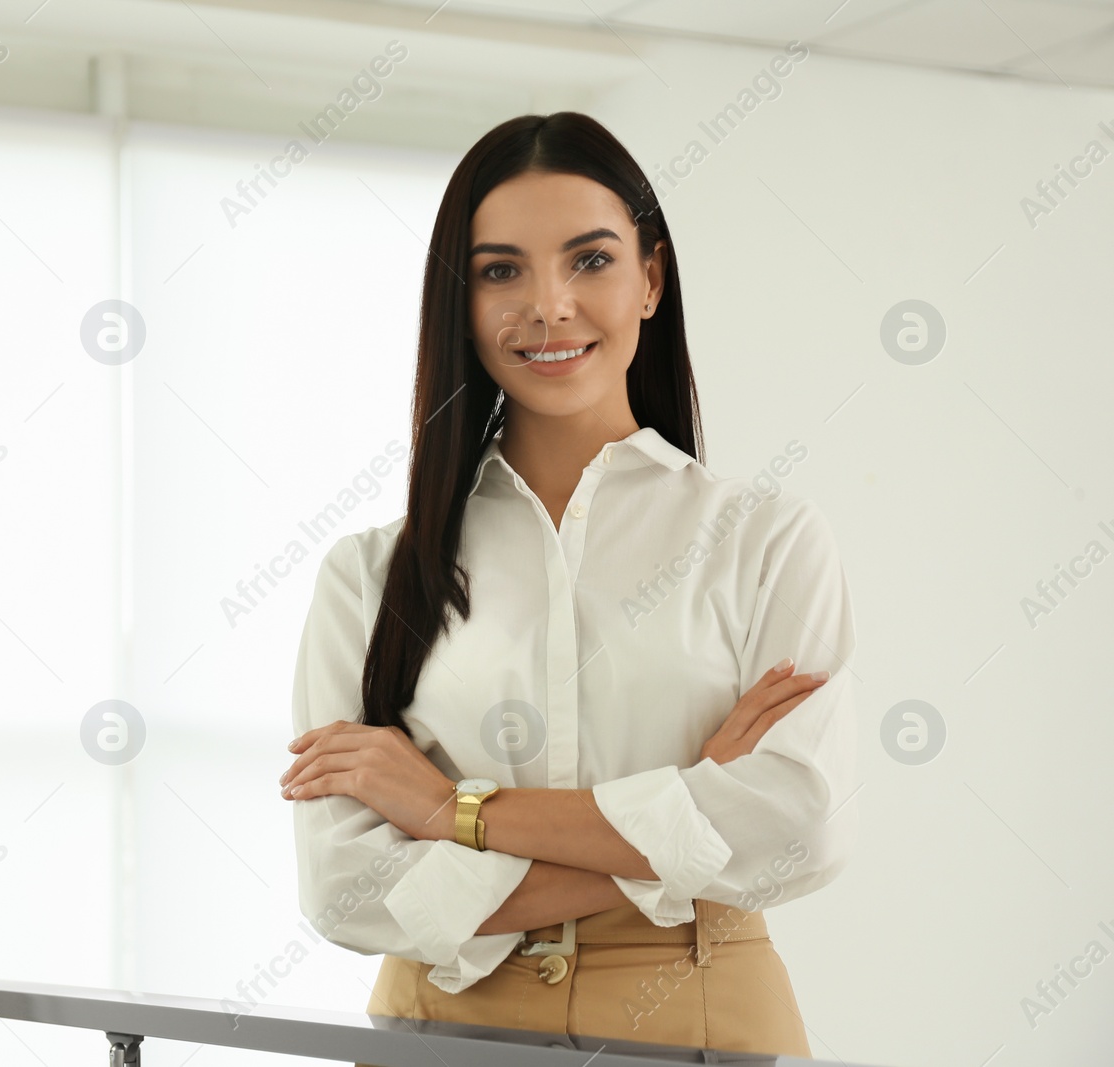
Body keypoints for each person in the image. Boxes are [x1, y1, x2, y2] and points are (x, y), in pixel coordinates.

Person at [278, 111, 857, 1062]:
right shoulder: (369, 575)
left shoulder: (765, 539)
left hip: (700, 1008)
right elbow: (343, 890)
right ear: (459, 301)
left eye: (589, 260)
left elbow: (801, 828)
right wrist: (684, 818)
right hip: (441, 1026)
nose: (547, 305)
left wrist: (450, 813)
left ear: (651, 281)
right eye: (501, 270)